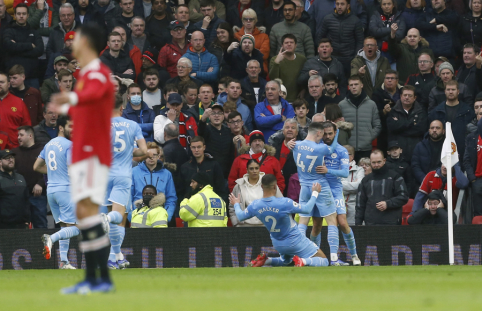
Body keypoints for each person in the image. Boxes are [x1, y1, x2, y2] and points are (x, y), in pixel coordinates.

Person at [49, 23, 114, 294]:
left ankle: (97, 279)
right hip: (83, 153)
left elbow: (96, 91)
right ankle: (98, 280)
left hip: (92, 153)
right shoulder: (86, 74)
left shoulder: (97, 73)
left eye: (76, 39)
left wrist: (71, 98)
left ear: (86, 43)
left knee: (87, 214)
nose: (71, 43)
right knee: (85, 216)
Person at [230, 174, 330, 267]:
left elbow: (240, 216)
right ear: (275, 187)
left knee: (287, 261)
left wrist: (236, 203)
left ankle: (267, 261)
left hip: (277, 244)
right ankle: (303, 261)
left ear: (261, 187)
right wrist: (315, 193)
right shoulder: (284, 202)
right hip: (295, 241)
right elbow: (307, 209)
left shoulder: (256, 205)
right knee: (324, 260)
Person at [293, 122, 349, 265]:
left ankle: (299, 254)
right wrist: (336, 134)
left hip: (304, 186)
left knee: (303, 221)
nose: (323, 137)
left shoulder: (296, 145)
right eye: (323, 134)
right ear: (318, 133)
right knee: (331, 220)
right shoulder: (320, 148)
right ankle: (334, 259)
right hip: (320, 185)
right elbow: (331, 150)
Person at [101, 94, 147, 269]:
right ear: (122, 108)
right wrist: (131, 151)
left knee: (116, 222)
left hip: (104, 175)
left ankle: (117, 257)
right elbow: (143, 150)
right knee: (119, 218)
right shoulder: (132, 125)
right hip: (122, 176)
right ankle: (112, 258)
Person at [34, 115, 80, 268]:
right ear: (61, 127)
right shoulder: (69, 145)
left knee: (65, 228)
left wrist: (54, 172)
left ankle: (64, 261)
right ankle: (51, 239)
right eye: (70, 126)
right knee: (76, 228)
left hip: (51, 191)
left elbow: (37, 166)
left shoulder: (49, 144)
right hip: (65, 190)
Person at [313, 122, 360, 265]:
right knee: (317, 225)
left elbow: (345, 172)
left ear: (335, 133)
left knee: (342, 222)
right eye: (325, 134)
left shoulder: (341, 150)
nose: (327, 137)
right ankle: (317, 257)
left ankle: (354, 256)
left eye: (330, 133)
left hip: (335, 189)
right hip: (319, 189)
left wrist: (328, 171)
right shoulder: (316, 148)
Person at [355, 149, 408, 225]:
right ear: (370, 162)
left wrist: (388, 203)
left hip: (392, 223)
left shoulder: (395, 177)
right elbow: (360, 204)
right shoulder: (365, 180)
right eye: (374, 162)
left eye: (379, 162)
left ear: (384, 160)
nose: (376, 165)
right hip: (371, 223)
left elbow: (404, 196)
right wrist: (358, 224)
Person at [429, 80, 475, 163]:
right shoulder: (436, 112)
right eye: (448, 89)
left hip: (462, 151)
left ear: (458, 92)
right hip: (441, 151)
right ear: (444, 91)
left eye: (453, 89)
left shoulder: (468, 111)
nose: (450, 92)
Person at [339, 75, 381, 162]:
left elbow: (377, 125)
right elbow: (339, 126)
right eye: (351, 85)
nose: (353, 87)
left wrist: (368, 138)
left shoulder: (371, 104)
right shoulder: (342, 105)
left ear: (362, 85)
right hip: (347, 149)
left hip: (365, 148)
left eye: (356, 84)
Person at [131, 141, 177, 221]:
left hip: (159, 216)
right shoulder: (134, 172)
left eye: (154, 155)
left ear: (159, 156)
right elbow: (129, 196)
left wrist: (167, 216)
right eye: (148, 155)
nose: (151, 157)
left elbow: (171, 198)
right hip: (138, 215)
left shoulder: (167, 174)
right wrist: (131, 215)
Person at [229, 159, 283, 227]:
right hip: (244, 226)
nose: (254, 171)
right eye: (251, 169)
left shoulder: (269, 183)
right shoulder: (239, 185)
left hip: (266, 225)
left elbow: (281, 203)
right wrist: (236, 223)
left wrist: (276, 223)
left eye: (256, 168)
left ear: (259, 169)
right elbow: (232, 206)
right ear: (247, 170)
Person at [11, 126, 47, 228]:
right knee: (20, 226)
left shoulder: (42, 151)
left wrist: (41, 183)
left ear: (30, 136)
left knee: (41, 224)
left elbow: (50, 170)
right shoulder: (15, 153)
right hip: (20, 197)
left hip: (38, 195)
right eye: (18, 135)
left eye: (21, 135)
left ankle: (44, 244)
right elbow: (11, 173)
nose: (18, 137)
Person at [318, 0, 364, 76]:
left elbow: (360, 41)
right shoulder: (327, 19)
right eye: (337, 4)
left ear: (348, 6)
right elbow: (321, 37)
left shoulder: (355, 21)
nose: (339, 7)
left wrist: (355, 57)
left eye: (342, 4)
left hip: (349, 59)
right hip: (332, 58)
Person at [3, 4, 44, 88]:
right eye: (19, 14)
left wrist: (16, 49)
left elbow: (40, 50)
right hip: (13, 78)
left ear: (28, 15)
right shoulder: (8, 31)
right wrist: (29, 45)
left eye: (24, 14)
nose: (21, 16)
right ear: (14, 15)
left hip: (32, 77)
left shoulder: (35, 32)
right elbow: (9, 46)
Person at [386, 85, 427, 161]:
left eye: (410, 95)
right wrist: (411, 123)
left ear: (415, 98)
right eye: (405, 95)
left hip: (415, 151)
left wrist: (400, 129)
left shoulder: (421, 112)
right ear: (401, 96)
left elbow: (420, 129)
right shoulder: (393, 111)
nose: (407, 97)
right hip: (397, 152)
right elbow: (392, 127)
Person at [269, 119, 305, 194]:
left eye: (293, 128)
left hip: (294, 184)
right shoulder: (275, 145)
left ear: (297, 132)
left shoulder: (303, 148)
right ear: (283, 131)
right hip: (277, 183)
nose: (290, 130)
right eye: (287, 127)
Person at [198, 103, 233, 177]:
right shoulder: (207, 129)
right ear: (209, 116)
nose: (216, 116)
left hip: (226, 172)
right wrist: (203, 119)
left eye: (219, 113)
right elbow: (200, 131)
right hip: (210, 171)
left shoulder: (228, 131)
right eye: (213, 113)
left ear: (223, 116)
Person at [269, 34, 307, 103]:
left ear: (296, 45)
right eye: (286, 43)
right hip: (280, 100)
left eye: (291, 42)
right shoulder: (274, 59)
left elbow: (304, 77)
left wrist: (304, 89)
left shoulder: (302, 59)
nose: (289, 44)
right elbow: (273, 79)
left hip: (297, 100)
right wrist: (276, 63)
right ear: (282, 45)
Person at [372, 69, 402, 152]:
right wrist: (384, 112)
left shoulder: (403, 92)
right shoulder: (377, 93)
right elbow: (374, 114)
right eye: (387, 78)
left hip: (401, 129)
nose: (389, 80)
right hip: (384, 131)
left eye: (392, 78)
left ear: (397, 81)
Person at [368, 0, 406, 65]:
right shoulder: (375, 16)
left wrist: (381, 34)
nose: (386, 6)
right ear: (381, 6)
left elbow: (399, 35)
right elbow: (374, 32)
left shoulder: (399, 17)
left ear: (393, 5)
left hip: (394, 53)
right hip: (378, 52)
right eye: (384, 4)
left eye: (389, 4)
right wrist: (391, 31)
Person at [0, 73, 31, 150]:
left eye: (2, 82)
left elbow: (26, 126)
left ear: (8, 84)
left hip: (14, 148)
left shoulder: (18, 102)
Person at [0, 149, 30, 229]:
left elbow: (26, 199)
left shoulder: (20, 177)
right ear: (0, 162)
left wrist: (28, 218)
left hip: (22, 223)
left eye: (12, 157)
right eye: (7, 158)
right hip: (4, 225)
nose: (11, 160)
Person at [233, 9, 270, 74]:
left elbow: (264, 55)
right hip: (240, 68)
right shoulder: (236, 36)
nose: (248, 21)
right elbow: (235, 55)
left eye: (251, 19)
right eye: (245, 19)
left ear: (255, 21)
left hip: (259, 69)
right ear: (242, 21)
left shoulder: (264, 36)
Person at [411, 120, 445, 185]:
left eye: (437, 128)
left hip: (443, 184)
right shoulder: (420, 146)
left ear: (443, 131)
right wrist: (425, 180)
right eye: (432, 128)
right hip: (423, 183)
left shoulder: (449, 147)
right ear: (429, 130)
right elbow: (415, 166)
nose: (434, 130)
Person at [341, 145, 365, 226]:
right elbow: (332, 187)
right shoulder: (334, 169)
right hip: (338, 207)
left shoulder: (359, 169)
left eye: (344, 154)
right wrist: (352, 186)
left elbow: (359, 186)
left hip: (354, 208)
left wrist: (339, 184)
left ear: (352, 156)